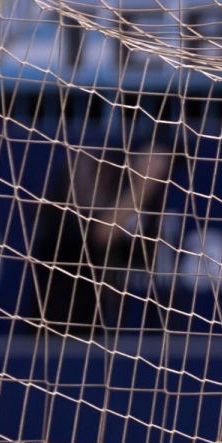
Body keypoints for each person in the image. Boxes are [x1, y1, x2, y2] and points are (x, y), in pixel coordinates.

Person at [26, 134, 178, 335]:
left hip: (92, 335)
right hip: (54, 337)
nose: (102, 179)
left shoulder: (102, 212)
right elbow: (100, 235)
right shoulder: (58, 215)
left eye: (106, 170)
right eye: (94, 169)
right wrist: (144, 184)